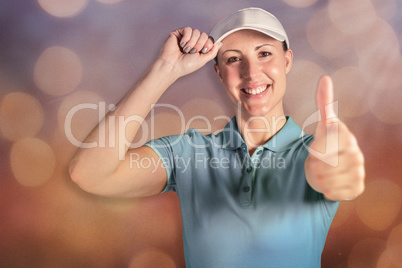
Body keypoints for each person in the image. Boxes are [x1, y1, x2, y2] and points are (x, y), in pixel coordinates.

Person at [69, 7, 365, 268]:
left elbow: (340, 175)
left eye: (265, 53)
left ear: (287, 60)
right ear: (219, 73)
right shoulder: (187, 153)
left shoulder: (315, 154)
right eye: (234, 59)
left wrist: (340, 169)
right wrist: (165, 70)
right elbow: (89, 174)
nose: (251, 72)